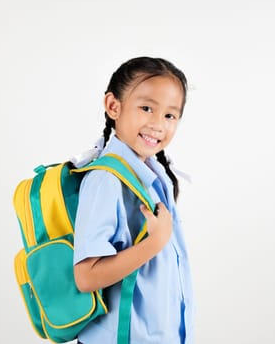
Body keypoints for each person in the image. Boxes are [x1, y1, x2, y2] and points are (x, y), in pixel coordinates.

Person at [73, 56, 194, 344]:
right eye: (146, 108)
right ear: (114, 106)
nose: (157, 124)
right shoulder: (106, 180)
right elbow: (86, 277)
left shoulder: (154, 175)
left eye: (169, 115)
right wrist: (154, 244)